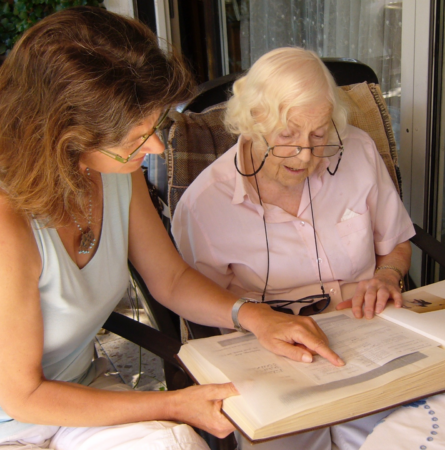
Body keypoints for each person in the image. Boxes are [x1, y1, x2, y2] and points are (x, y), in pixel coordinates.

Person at [0, 9, 342, 450]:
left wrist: (255, 317)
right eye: (136, 138)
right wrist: (175, 404)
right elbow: (23, 395)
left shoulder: (110, 169)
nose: (156, 148)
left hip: (76, 399)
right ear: (64, 135)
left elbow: (171, 279)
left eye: (153, 127)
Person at [171, 48, 416, 449]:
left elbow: (396, 242)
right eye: (287, 135)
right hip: (274, 354)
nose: (305, 154)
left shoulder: (357, 151)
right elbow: (199, 306)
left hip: (366, 334)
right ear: (252, 122)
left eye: (318, 134)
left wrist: (388, 275)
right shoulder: (205, 206)